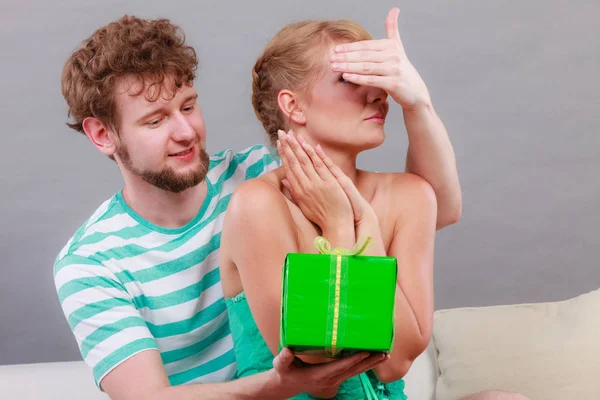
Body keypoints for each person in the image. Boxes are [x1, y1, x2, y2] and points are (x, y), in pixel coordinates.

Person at [53, 9, 464, 400]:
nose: (185, 132)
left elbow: (436, 207)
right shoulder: (89, 263)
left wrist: (417, 103)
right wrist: (277, 385)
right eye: (155, 121)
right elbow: (147, 398)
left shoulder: (254, 170)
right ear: (103, 135)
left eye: (189, 107)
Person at [220, 9, 529, 400]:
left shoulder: (409, 196)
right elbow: (316, 358)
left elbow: (394, 363)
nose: (379, 93)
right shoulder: (257, 205)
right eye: (351, 78)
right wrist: (340, 227)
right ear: (293, 106)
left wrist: (359, 221)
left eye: (378, 78)